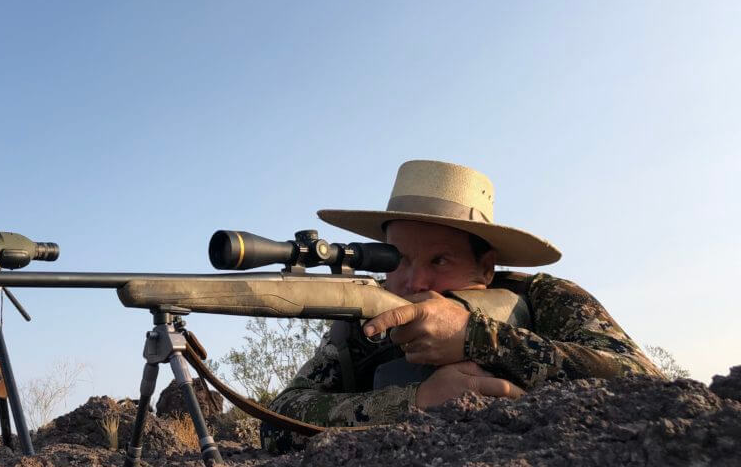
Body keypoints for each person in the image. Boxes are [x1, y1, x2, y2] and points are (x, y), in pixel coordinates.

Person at [266, 160, 662, 435]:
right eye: (397, 259)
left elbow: (645, 383)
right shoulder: (364, 325)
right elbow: (279, 420)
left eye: (440, 260)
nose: (415, 280)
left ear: (485, 268)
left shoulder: (544, 296)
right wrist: (415, 402)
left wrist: (482, 338)